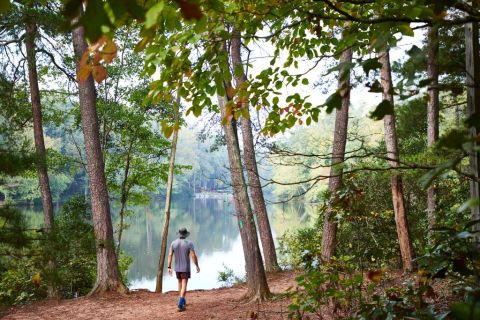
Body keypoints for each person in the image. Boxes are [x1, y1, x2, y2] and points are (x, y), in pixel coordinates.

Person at [168, 227, 200, 312]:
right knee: (184, 284)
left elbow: (170, 255)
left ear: (179, 234)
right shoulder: (189, 243)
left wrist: (169, 267)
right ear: (185, 234)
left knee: (179, 283)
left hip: (177, 267)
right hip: (185, 267)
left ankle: (182, 299)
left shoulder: (173, 243)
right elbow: (193, 255)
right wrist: (197, 265)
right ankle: (180, 303)